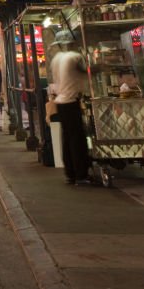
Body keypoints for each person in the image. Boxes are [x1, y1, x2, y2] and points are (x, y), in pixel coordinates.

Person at [50, 33, 91, 186]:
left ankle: (70, 174)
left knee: (67, 139)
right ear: (71, 43)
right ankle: (81, 174)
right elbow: (86, 70)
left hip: (60, 102)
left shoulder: (56, 59)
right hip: (71, 101)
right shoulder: (74, 57)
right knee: (77, 140)